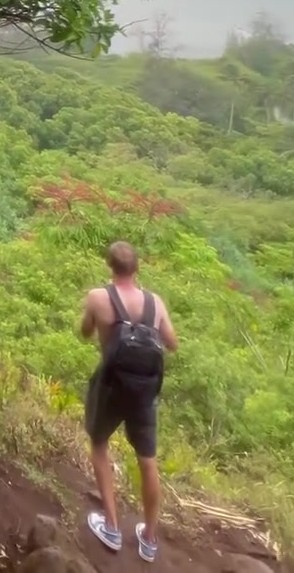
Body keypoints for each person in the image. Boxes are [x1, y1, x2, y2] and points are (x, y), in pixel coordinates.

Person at [80, 241, 179, 564]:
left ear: (110, 267)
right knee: (147, 460)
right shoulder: (155, 302)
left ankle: (110, 525)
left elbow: (85, 332)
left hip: (110, 386)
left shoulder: (98, 297)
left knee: (99, 444)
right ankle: (149, 538)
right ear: (137, 269)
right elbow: (172, 344)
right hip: (144, 393)